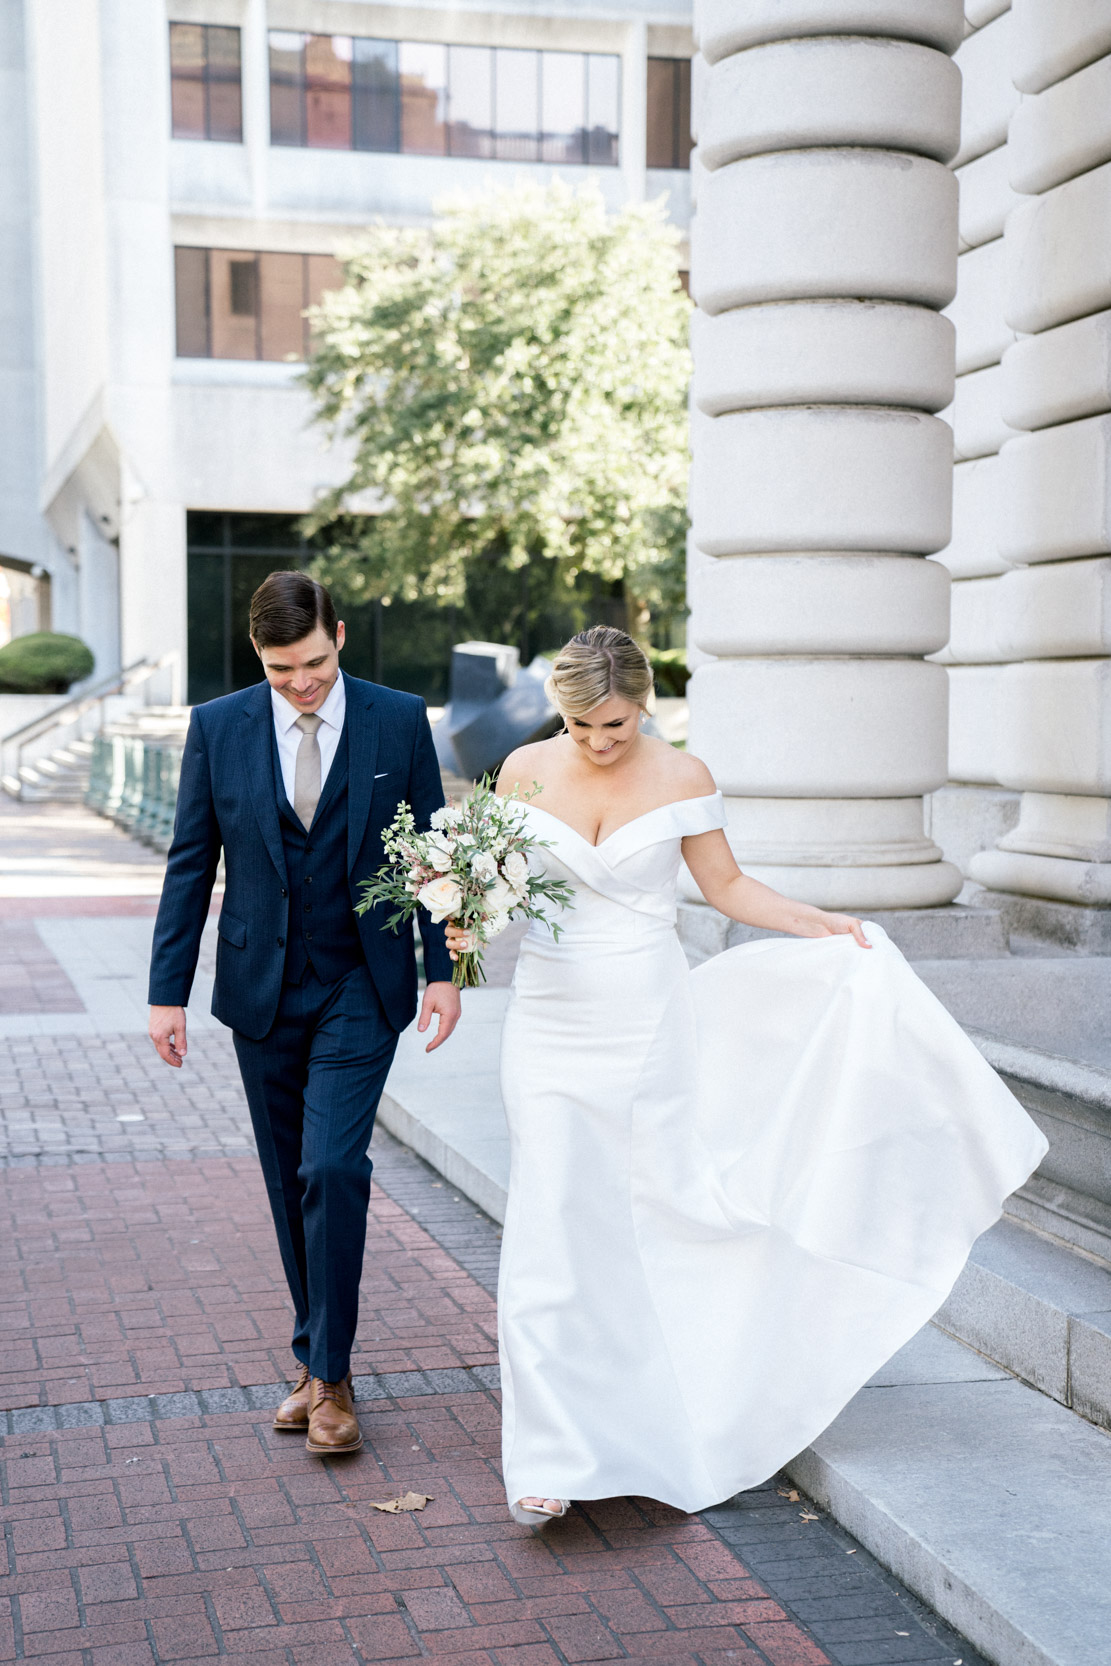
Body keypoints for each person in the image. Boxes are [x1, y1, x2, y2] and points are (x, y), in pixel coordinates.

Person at [447, 624, 1047, 1527]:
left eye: (614, 724)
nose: (599, 742)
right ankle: (547, 1454)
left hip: (649, 1021)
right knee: (548, 1218)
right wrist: (461, 930)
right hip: (549, 1023)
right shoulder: (525, 769)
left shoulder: (684, 777)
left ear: (644, 704)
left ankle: (669, 1407)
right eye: (580, 726)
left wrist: (824, 926)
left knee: (657, 1207)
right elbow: (498, 892)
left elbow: (725, 888)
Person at [148, 572, 460, 1457]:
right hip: (261, 989)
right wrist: (164, 990)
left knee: (332, 1166)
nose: (302, 684)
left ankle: (328, 1379)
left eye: (314, 663)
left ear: (342, 636)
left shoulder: (399, 719)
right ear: (259, 655)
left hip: (362, 981)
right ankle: (320, 1364)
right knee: (288, 1177)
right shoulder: (219, 727)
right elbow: (188, 863)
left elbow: (431, 850)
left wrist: (445, 971)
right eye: (283, 670)